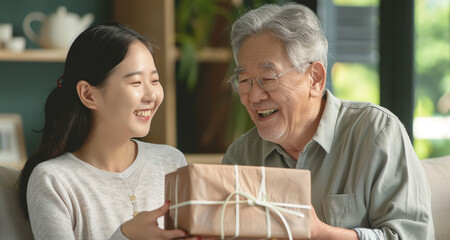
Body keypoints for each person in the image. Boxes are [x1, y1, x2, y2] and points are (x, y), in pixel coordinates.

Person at [222, 3, 434, 240]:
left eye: (267, 78)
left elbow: (414, 236)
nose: (253, 96)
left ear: (315, 78)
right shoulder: (240, 159)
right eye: (244, 80)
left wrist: (321, 233)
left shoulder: (377, 133)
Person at [19, 23, 197, 240]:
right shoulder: (53, 180)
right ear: (88, 95)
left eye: (155, 80)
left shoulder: (171, 162)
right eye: (136, 82)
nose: (152, 95)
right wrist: (125, 236)